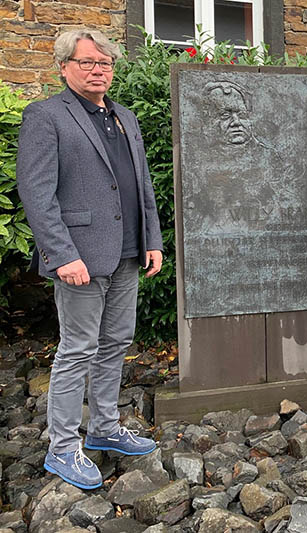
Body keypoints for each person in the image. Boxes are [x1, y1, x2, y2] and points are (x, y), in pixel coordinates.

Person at [17, 29, 164, 489]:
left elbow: (140, 185)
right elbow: (37, 194)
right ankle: (63, 449)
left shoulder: (125, 117)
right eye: (88, 62)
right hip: (79, 258)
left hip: (126, 253)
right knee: (77, 350)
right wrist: (62, 255)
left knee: (115, 344)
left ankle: (103, 429)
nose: (99, 70)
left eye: (106, 63)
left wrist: (152, 239)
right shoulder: (45, 116)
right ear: (64, 66)